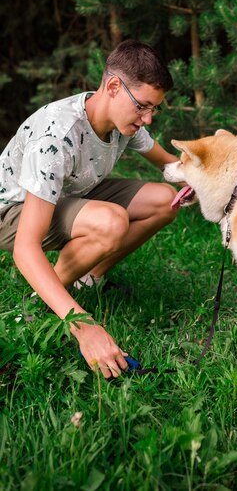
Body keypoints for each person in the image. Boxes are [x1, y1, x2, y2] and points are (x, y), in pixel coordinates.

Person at [0, 39, 184, 378]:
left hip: (73, 193)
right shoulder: (56, 135)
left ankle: (87, 279)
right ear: (113, 86)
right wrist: (82, 325)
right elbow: (25, 248)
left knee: (164, 200)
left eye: (154, 109)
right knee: (111, 222)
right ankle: (37, 306)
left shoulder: (123, 122)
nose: (148, 119)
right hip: (13, 209)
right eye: (143, 106)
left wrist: (217, 185)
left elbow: (170, 166)